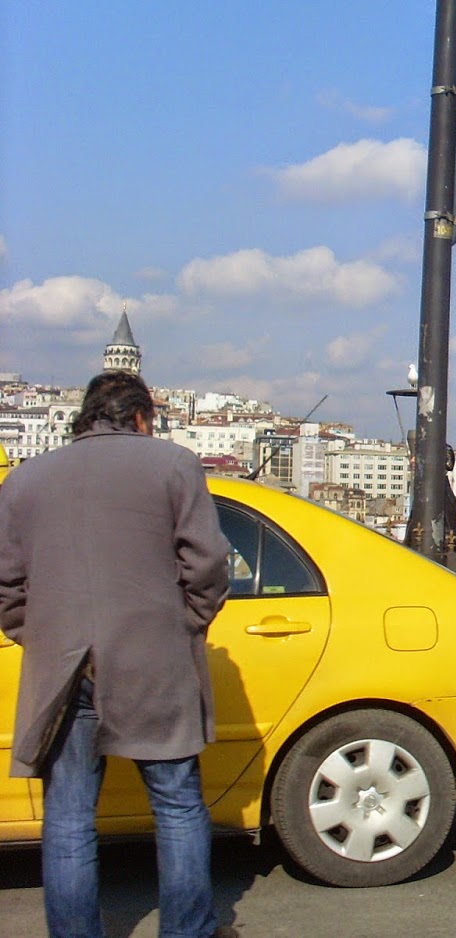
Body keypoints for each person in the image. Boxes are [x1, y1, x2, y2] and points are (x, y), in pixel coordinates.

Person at [0, 371, 234, 938]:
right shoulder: (174, 464)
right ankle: (188, 931)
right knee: (176, 806)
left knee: (69, 819)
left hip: (62, 668)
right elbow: (207, 564)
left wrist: (44, 636)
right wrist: (187, 622)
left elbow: (7, 586)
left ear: (84, 418)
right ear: (140, 418)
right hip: (154, 660)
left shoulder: (25, 479)